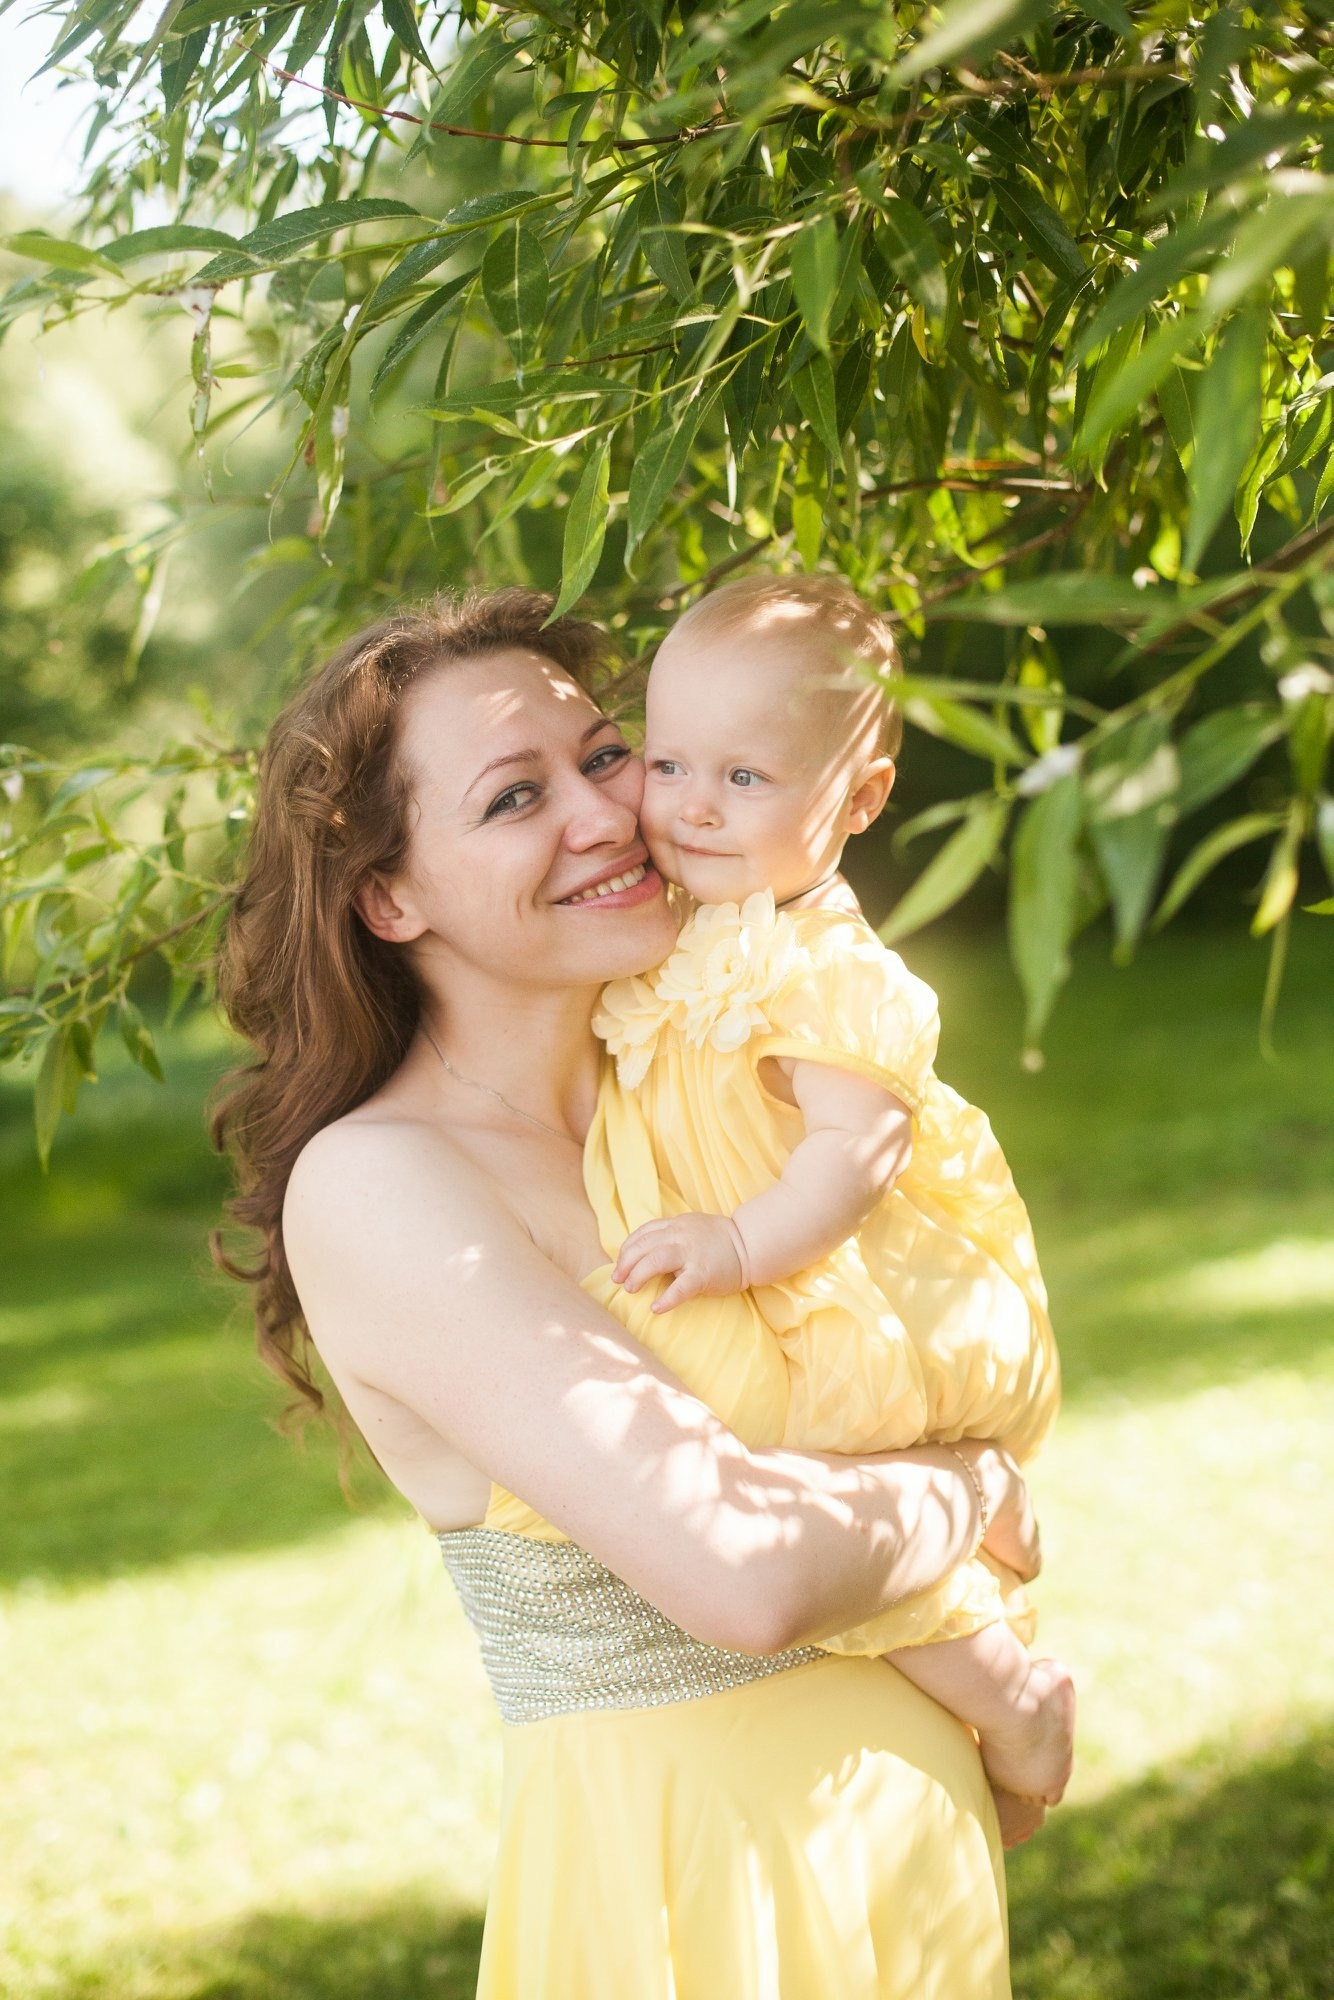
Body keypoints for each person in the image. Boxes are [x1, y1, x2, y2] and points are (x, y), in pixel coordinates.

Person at [212, 589, 1044, 2000]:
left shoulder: (716, 1096)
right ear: (389, 895)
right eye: (513, 797)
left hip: (899, 1852)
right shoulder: (383, 1185)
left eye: (607, 756)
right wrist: (966, 1489)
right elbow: (746, 1565)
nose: (605, 815)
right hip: (689, 1881)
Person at [592, 574, 1072, 1844]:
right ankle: (987, 1527)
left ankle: (1012, 1694)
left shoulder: (832, 971)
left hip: (830, 1286)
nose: (691, 803)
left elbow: (851, 1156)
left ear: (856, 801)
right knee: (799, 1497)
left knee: (802, 1494)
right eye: (669, 760)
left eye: (744, 778)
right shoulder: (686, 928)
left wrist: (738, 1241)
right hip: (768, 1280)